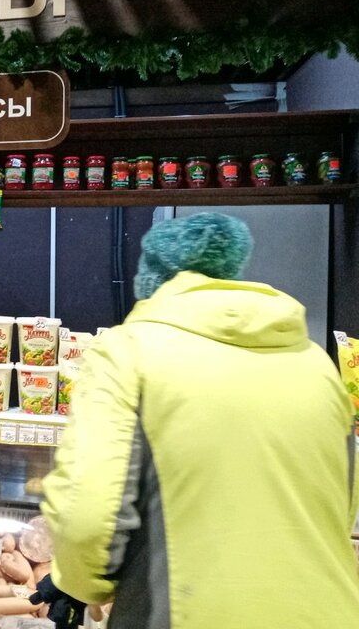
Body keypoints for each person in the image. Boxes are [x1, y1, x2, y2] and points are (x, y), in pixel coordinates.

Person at [39, 211, 359, 628]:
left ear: (151, 278)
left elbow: (86, 518)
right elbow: (341, 506)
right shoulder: (317, 363)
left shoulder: (128, 352)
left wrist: (76, 584)